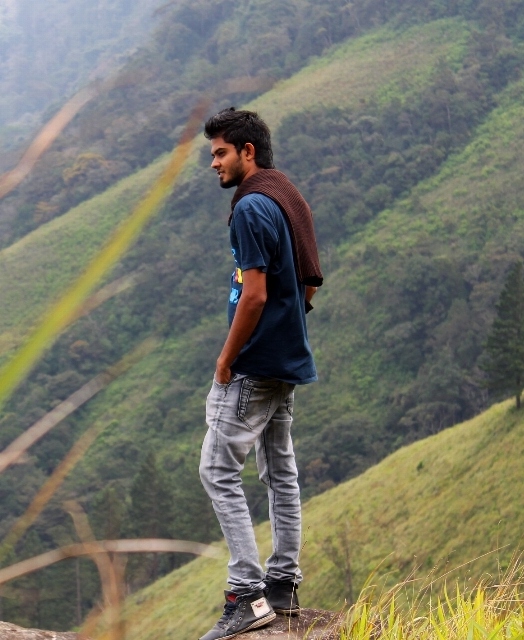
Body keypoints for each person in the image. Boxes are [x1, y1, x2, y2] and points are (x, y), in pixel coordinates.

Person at [198, 108, 323, 639]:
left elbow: (253, 294)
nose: (214, 164)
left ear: (248, 151)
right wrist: (285, 324)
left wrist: (228, 359)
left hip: (251, 366)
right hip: (286, 361)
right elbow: (311, 281)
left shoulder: (251, 206)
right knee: (280, 472)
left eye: (221, 153)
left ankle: (246, 596)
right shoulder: (286, 195)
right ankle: (283, 586)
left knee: (218, 471)